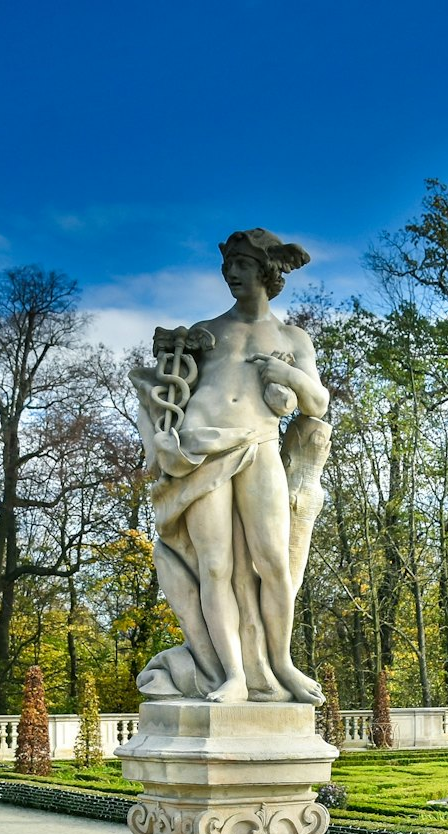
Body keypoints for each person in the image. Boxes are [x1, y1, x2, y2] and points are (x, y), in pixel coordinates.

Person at [130, 229, 330, 704]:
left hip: (258, 444)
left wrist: (287, 375)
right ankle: (234, 675)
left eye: (240, 264)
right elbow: (166, 388)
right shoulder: (206, 331)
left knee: (274, 563)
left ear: (265, 270)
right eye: (227, 267)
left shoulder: (291, 338)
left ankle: (280, 663)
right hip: (198, 450)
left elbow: (317, 403)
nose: (231, 274)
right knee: (214, 566)